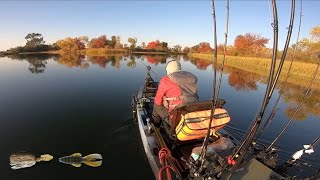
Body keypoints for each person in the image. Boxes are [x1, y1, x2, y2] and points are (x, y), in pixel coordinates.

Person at [152, 60, 198, 127]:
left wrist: (164, 99)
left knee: (156, 105)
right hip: (190, 116)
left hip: (175, 120)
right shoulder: (192, 79)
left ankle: (156, 125)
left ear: (168, 70)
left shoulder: (165, 79)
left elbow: (158, 101)